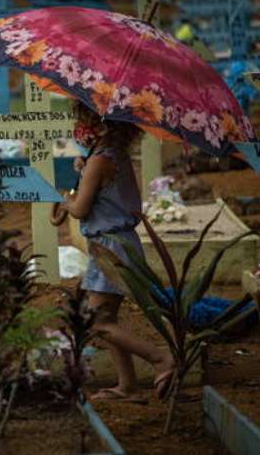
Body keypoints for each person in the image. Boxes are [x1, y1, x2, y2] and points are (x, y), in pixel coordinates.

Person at [51, 102, 174, 403]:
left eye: (84, 121)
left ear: (102, 125)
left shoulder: (98, 162)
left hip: (111, 247)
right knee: (107, 318)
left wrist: (66, 202)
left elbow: (80, 209)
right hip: (118, 243)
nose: (80, 129)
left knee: (98, 322)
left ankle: (160, 360)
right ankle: (126, 385)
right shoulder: (110, 156)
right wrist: (84, 170)